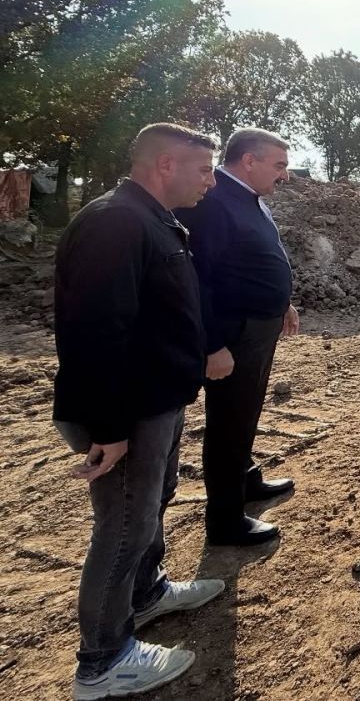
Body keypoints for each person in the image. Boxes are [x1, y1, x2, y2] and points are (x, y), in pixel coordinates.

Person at [54, 123, 226, 699]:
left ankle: (146, 595)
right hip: (127, 410)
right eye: (204, 169)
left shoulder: (153, 219)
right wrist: (109, 427)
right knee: (123, 527)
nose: (211, 181)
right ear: (165, 165)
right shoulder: (116, 222)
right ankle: (103, 663)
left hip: (158, 400)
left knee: (152, 505)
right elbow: (96, 333)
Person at [175, 127, 298, 547]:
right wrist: (212, 343)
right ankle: (225, 521)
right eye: (279, 165)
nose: (285, 174)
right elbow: (198, 279)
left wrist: (282, 302)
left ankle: (246, 482)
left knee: (246, 413)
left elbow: (254, 259)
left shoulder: (248, 199)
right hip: (234, 332)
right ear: (249, 160)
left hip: (259, 326)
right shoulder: (214, 204)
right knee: (228, 423)